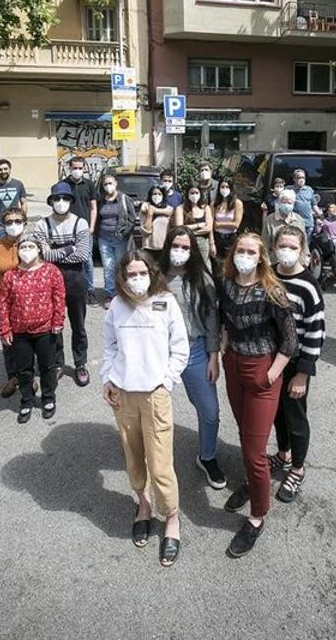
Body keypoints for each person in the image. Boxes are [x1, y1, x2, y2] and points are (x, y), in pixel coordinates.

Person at [101, 251, 189, 567]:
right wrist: (107, 378)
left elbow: (180, 348)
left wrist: (166, 382)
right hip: (124, 394)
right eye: (130, 274)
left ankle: (172, 519)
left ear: (151, 273)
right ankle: (143, 505)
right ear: (122, 278)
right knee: (133, 456)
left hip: (155, 395)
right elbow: (109, 346)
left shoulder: (165, 302)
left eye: (142, 273)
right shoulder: (117, 306)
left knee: (161, 463)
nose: (137, 279)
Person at [219, 232, 298, 558]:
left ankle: (257, 515)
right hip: (233, 367)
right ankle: (254, 480)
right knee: (244, 436)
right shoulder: (226, 284)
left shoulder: (272, 291)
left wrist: (272, 373)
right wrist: (221, 351)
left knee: (253, 449)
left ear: (262, 257)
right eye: (241, 250)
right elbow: (224, 321)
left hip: (262, 370)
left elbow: (290, 342)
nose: (245, 256)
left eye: (252, 251)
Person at [158, 228, 225, 489]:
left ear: (194, 251)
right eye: (176, 245)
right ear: (167, 246)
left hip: (195, 351)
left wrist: (213, 356)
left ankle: (207, 456)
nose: (180, 251)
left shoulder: (203, 280)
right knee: (154, 410)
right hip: (161, 354)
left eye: (186, 247)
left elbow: (212, 319)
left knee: (209, 411)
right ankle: (153, 458)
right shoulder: (155, 277)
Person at [269, 227, 325, 504]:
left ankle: (298, 468)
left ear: (302, 249)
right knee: (277, 414)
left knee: (296, 417)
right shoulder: (268, 275)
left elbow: (316, 332)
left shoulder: (308, 286)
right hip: (270, 361)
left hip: (294, 365)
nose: (287, 251)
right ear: (274, 246)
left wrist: (303, 373)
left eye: (292, 246)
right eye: (282, 245)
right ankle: (283, 453)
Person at [0, 231, 66, 423]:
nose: (27, 251)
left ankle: (48, 398)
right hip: (20, 332)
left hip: (46, 330)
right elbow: (2, 303)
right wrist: (5, 329)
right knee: (24, 370)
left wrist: (58, 321)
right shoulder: (11, 275)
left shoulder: (51, 271)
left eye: (31, 247)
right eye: (23, 247)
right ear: (18, 251)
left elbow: (58, 299)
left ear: (39, 250)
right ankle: (26, 400)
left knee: (47, 367)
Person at [35, 182, 91, 385]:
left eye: (65, 199)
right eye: (57, 199)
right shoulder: (42, 225)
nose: (61, 202)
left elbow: (83, 255)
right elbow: (43, 256)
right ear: (51, 201)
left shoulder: (80, 223)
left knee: (78, 324)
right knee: (53, 324)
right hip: (49, 280)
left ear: (71, 201)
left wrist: (55, 254)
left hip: (75, 279)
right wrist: (69, 249)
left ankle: (80, 363)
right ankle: (57, 362)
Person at [0, 207, 27, 396]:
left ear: (25, 224)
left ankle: (27, 378)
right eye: (9, 222)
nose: (13, 225)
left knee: (25, 344)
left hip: (26, 306)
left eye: (18, 221)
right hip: (0, 305)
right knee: (8, 344)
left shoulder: (30, 246)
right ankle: (13, 377)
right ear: (2, 224)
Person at [94, 171, 137, 307]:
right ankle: (110, 294)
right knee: (108, 267)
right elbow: (98, 218)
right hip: (104, 238)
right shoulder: (101, 200)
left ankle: (122, 293)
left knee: (120, 266)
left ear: (116, 184)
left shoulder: (124, 199)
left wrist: (124, 233)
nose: (108, 186)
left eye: (110, 183)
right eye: (105, 184)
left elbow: (132, 218)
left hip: (120, 239)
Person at [63, 157, 98, 293]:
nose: (77, 171)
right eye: (74, 168)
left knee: (87, 261)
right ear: (70, 168)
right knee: (69, 260)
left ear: (84, 168)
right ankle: (72, 290)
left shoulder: (89, 184)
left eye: (80, 168)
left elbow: (93, 207)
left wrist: (92, 227)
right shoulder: (63, 184)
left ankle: (89, 290)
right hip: (68, 229)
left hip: (85, 230)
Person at [0, 159, 28, 242]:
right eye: (0, 169)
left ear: (10, 169)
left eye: (5, 169)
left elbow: (24, 203)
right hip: (0, 226)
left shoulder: (18, 184)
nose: (3, 171)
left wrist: (23, 220)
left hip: (16, 224)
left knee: (17, 250)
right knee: (0, 251)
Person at [175, 184, 214, 264]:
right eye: (192, 193)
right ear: (187, 194)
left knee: (204, 267)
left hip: (203, 243)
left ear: (200, 194)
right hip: (186, 242)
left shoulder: (206, 208)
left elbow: (209, 228)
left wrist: (211, 243)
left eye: (196, 193)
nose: (194, 195)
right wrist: (198, 225)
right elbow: (179, 228)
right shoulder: (180, 208)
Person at [212, 178, 243, 261]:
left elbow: (236, 224)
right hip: (217, 237)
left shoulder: (237, 203)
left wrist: (219, 225)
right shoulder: (214, 203)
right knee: (217, 262)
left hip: (231, 238)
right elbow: (212, 223)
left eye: (227, 187)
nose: (224, 189)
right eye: (222, 187)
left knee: (230, 262)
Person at [139, 184, 173, 260]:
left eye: (159, 194)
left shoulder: (168, 208)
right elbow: (146, 231)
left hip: (164, 248)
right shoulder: (145, 207)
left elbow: (169, 212)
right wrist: (150, 214)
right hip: (148, 248)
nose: (156, 196)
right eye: (154, 194)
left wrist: (154, 210)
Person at [317, 202, 336, 273]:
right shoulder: (325, 221)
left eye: (335, 208)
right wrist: (319, 224)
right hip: (331, 239)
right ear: (328, 211)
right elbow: (318, 231)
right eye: (332, 208)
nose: (334, 209)